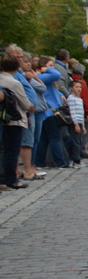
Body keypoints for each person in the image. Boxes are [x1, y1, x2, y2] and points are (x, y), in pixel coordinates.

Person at [0, 53, 32, 190]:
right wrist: (31, 107)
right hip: (14, 119)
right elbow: (25, 103)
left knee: (4, 150)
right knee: (12, 151)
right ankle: (11, 179)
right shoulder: (14, 82)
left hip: (3, 118)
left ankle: (5, 177)